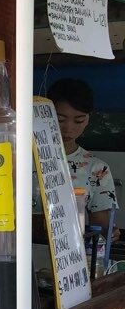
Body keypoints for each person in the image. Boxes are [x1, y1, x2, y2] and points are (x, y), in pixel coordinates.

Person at [47, 78, 119, 241]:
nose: (69, 128)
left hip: (72, 258)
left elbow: (101, 227)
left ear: (88, 119)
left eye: (78, 120)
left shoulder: (97, 169)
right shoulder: (21, 159)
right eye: (60, 119)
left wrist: (108, 233)